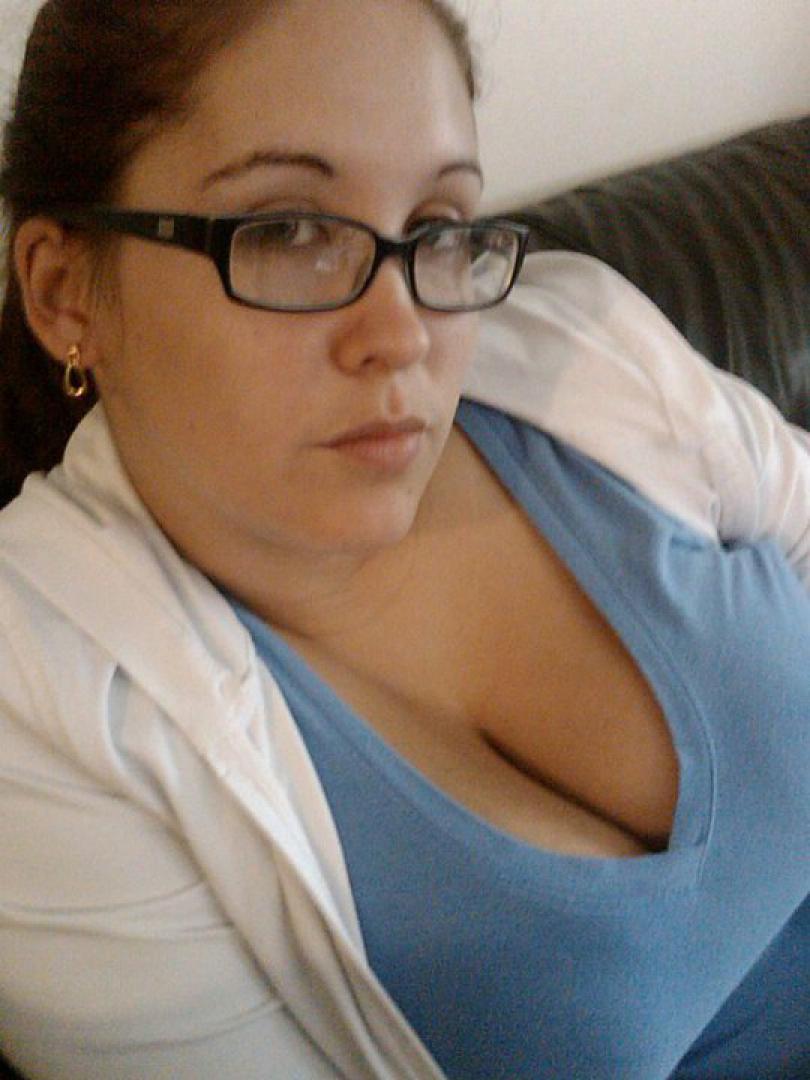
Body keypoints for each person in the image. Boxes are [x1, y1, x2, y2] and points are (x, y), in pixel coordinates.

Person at [0, 1, 807, 1078]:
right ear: (64, 294)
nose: (404, 335)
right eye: (288, 230)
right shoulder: (39, 703)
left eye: (437, 226)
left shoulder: (583, 346)